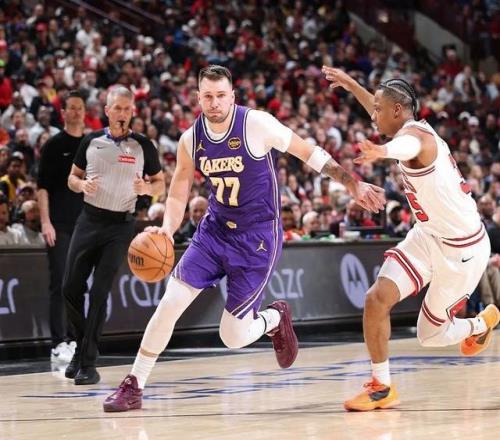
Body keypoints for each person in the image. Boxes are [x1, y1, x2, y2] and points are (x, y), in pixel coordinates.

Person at [103, 65, 385, 412]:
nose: (214, 103)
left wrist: (351, 183)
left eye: (221, 95)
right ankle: (134, 383)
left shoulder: (256, 124)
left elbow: (307, 151)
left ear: (232, 96)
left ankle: (275, 318)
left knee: (232, 336)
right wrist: (167, 228)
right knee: (170, 302)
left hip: (257, 237)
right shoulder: (191, 139)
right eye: (208, 96)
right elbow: (179, 188)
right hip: (214, 230)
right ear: (198, 98)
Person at [322, 66, 499, 411]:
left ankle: (481, 322)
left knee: (429, 335)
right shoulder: (402, 124)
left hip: (462, 249)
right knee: (376, 299)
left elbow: (407, 145)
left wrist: (382, 151)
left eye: (378, 110)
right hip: (427, 235)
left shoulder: (419, 139)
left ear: (398, 110)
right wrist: (352, 84)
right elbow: (384, 116)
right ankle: (381, 387)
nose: (373, 116)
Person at [63, 86, 165, 385]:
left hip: (120, 226)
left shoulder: (143, 145)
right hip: (89, 220)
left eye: (127, 109)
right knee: (70, 288)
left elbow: (160, 182)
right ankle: (81, 347)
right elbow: (72, 177)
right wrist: (82, 186)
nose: (122, 113)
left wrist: (147, 189)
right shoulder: (91, 141)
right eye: (117, 108)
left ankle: (88, 363)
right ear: (107, 111)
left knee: (99, 292)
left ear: (133, 111)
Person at [37, 90, 86, 364]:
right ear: (63, 112)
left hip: (85, 226)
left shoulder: (92, 145)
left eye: (80, 107)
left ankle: (75, 338)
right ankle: (58, 343)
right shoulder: (54, 145)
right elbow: (42, 187)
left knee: (78, 285)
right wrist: (46, 222)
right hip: (59, 224)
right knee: (60, 283)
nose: (76, 111)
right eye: (72, 107)